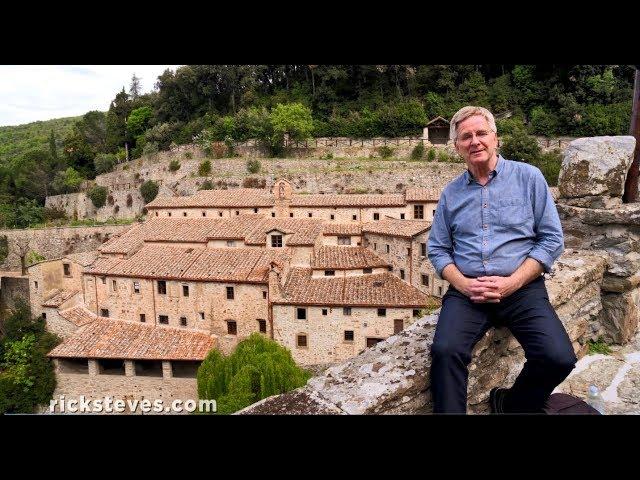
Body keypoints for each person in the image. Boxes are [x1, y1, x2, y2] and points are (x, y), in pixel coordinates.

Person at [427, 106, 576, 414]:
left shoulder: (529, 177)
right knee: (445, 352)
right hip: (467, 294)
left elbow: (551, 240)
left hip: (522, 288)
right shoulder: (451, 194)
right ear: (456, 146)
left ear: (496, 138)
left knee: (558, 357)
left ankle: (512, 404)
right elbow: (438, 249)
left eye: (481, 133)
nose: (475, 141)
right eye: (466, 137)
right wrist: (465, 285)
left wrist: (513, 282)